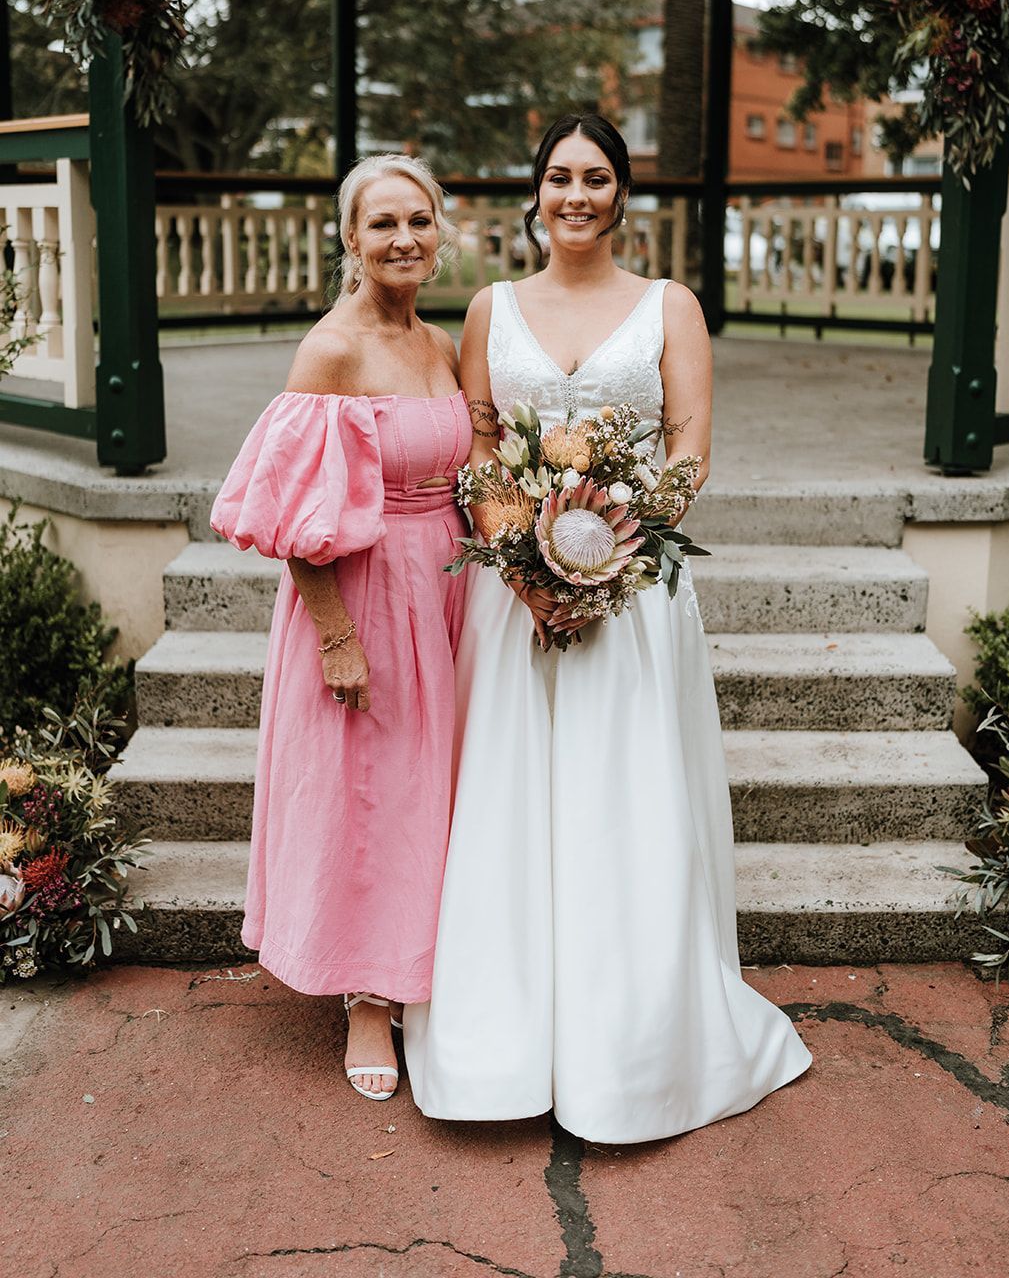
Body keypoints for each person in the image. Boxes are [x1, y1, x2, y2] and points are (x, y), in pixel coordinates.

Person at [404, 115, 811, 1142]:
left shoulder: (669, 307)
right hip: (514, 601)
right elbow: (481, 451)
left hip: (632, 599)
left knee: (621, 801)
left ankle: (630, 1047)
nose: (575, 193)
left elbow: (687, 451)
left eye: (595, 177)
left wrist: (609, 556)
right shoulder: (490, 308)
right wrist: (526, 566)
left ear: (622, 194)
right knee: (514, 803)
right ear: (533, 194)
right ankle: (506, 1039)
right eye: (557, 177)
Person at [210, 154, 471, 1102]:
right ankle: (366, 998)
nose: (403, 239)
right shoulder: (331, 351)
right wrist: (333, 635)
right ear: (350, 239)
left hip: (445, 587)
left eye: (419, 221)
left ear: (440, 231)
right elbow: (290, 513)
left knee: (426, 791)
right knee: (368, 794)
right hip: (358, 593)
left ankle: (422, 966)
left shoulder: (439, 343)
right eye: (382, 224)